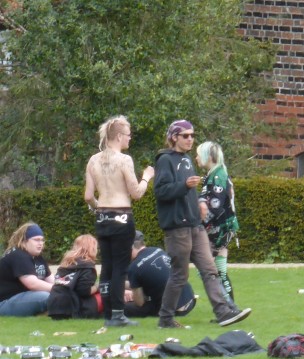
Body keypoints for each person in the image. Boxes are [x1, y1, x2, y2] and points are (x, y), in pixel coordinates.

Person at [152, 119, 250, 329]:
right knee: (180, 274)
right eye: (186, 136)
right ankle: (166, 319)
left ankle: (223, 312)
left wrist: (197, 201)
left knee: (209, 269)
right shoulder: (165, 160)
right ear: (174, 137)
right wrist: (184, 185)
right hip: (177, 227)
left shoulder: (187, 160)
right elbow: (161, 192)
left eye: (192, 135)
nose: (190, 139)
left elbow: (188, 193)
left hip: (195, 226)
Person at [83, 115, 154, 327]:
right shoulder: (124, 160)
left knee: (106, 266)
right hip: (122, 216)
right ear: (120, 136)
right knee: (120, 268)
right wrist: (147, 177)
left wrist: (100, 208)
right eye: (129, 136)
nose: (130, 139)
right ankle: (117, 314)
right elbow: (137, 193)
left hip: (102, 217)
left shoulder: (93, 160)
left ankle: (107, 314)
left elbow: (88, 196)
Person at [196, 141, 240, 303]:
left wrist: (197, 223)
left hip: (217, 230)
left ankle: (227, 307)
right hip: (223, 228)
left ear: (209, 156)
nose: (196, 158)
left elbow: (214, 207)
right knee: (219, 270)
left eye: (199, 154)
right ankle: (230, 306)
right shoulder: (217, 173)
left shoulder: (217, 176)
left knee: (207, 270)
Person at [123, 231, 197, 318]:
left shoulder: (134, 267)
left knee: (121, 307)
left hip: (175, 309)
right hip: (190, 300)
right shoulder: (157, 250)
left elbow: (139, 303)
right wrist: (121, 285)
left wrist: (132, 294)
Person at [0, 223, 54, 317]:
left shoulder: (38, 257)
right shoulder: (18, 255)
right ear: (24, 241)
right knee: (46, 297)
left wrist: (64, 287)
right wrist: (59, 290)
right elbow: (32, 284)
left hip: (24, 297)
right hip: (5, 302)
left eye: (42, 240)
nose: (40, 243)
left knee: (56, 295)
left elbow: (51, 280)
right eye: (36, 240)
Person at [47, 234, 101, 320]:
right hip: (72, 307)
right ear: (92, 248)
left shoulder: (65, 264)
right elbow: (84, 291)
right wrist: (98, 286)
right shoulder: (87, 266)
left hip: (54, 305)